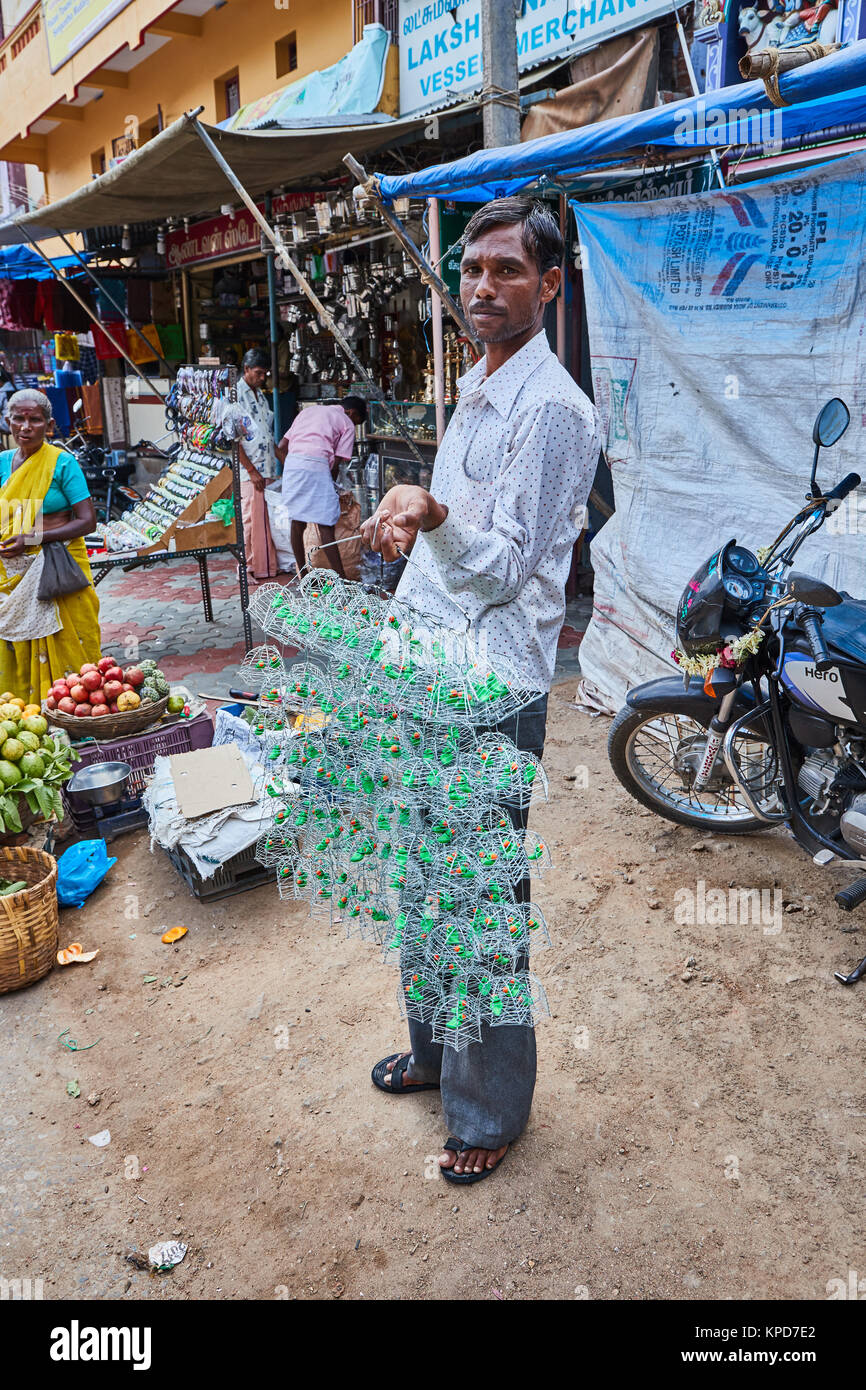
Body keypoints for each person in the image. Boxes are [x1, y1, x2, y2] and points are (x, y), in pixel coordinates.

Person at [360, 197, 602, 1183]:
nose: (481, 287)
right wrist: (403, 515)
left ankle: (489, 1104)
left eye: (507, 270)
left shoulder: (553, 409)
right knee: (421, 886)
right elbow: (446, 539)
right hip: (427, 672)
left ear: (550, 285)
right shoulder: (479, 385)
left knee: (476, 903)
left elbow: (502, 566)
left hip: (487, 695)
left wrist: (434, 511)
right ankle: (434, 1055)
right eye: (470, 270)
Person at [0, 388, 99, 702]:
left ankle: (75, 708)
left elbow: (87, 520)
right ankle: (25, 709)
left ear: (50, 426)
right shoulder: (2, 463)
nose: (25, 427)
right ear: (7, 421)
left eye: (35, 420)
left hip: (58, 569)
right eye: (19, 418)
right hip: (11, 571)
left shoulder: (62, 463)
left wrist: (32, 538)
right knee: (14, 643)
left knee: (71, 640)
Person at [276, 395, 366, 578]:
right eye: (357, 421)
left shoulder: (308, 411)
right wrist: (330, 484)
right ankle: (342, 580)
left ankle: (303, 576)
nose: (354, 425)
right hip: (317, 465)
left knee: (297, 520)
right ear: (351, 412)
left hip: (293, 464)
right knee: (325, 523)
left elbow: (281, 446)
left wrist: (296, 466)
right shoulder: (346, 422)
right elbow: (337, 462)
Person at [236, 348, 278, 582]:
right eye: (259, 373)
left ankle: (264, 567)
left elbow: (267, 434)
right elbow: (234, 439)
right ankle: (245, 568)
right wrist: (251, 471)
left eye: (265, 374)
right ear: (247, 370)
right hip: (250, 470)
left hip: (266, 466)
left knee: (264, 520)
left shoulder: (260, 395)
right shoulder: (236, 396)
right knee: (249, 520)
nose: (262, 378)